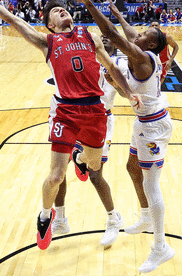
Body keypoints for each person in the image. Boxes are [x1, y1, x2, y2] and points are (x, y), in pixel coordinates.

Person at [0, 0, 142, 251]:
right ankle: (45, 216)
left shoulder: (90, 37)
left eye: (63, 8)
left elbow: (112, 67)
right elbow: (12, 19)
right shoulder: (47, 42)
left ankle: (80, 158)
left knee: (94, 167)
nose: (61, 10)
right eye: (55, 11)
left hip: (94, 112)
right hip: (66, 113)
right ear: (50, 26)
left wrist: (128, 93)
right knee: (55, 176)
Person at [69, 0, 175, 273]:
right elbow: (127, 31)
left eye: (142, 34)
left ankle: (161, 248)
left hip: (154, 126)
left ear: (149, 44)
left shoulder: (141, 57)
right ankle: (145, 217)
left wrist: (88, 3)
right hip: (144, 122)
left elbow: (113, 35)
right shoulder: (144, 49)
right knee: (132, 168)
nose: (136, 34)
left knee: (152, 184)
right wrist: (117, 13)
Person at [52, 35, 126, 248]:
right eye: (100, 36)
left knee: (95, 175)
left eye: (107, 37)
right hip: (76, 116)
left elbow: (124, 93)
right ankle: (60, 218)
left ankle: (114, 218)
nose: (103, 38)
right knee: (59, 170)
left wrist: (115, 83)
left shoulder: (118, 65)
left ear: (114, 44)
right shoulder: (84, 58)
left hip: (101, 120)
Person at [149, 20, 179, 84]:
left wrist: (170, 61)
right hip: (151, 62)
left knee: (159, 83)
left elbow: (176, 47)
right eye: (153, 25)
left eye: (156, 25)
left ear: (159, 27)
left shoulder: (166, 37)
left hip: (163, 63)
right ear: (150, 27)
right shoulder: (147, 37)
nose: (154, 27)